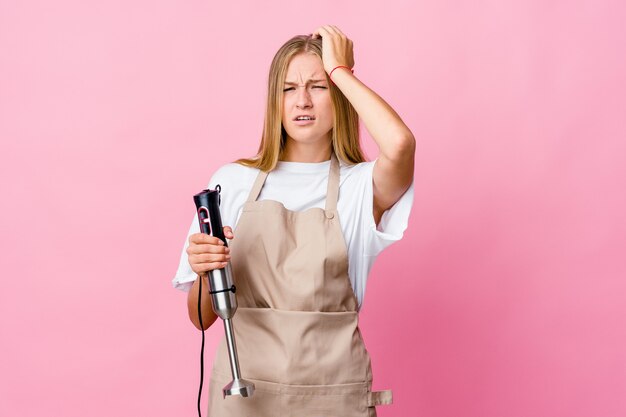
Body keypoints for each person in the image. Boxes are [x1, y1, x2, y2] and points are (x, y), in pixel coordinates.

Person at [172, 25, 415, 416]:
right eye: (288, 89)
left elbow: (400, 144)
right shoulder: (231, 183)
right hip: (245, 398)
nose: (302, 100)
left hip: (333, 399)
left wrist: (341, 71)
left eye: (317, 87)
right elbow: (202, 318)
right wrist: (204, 271)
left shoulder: (360, 188)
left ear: (338, 97)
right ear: (274, 102)